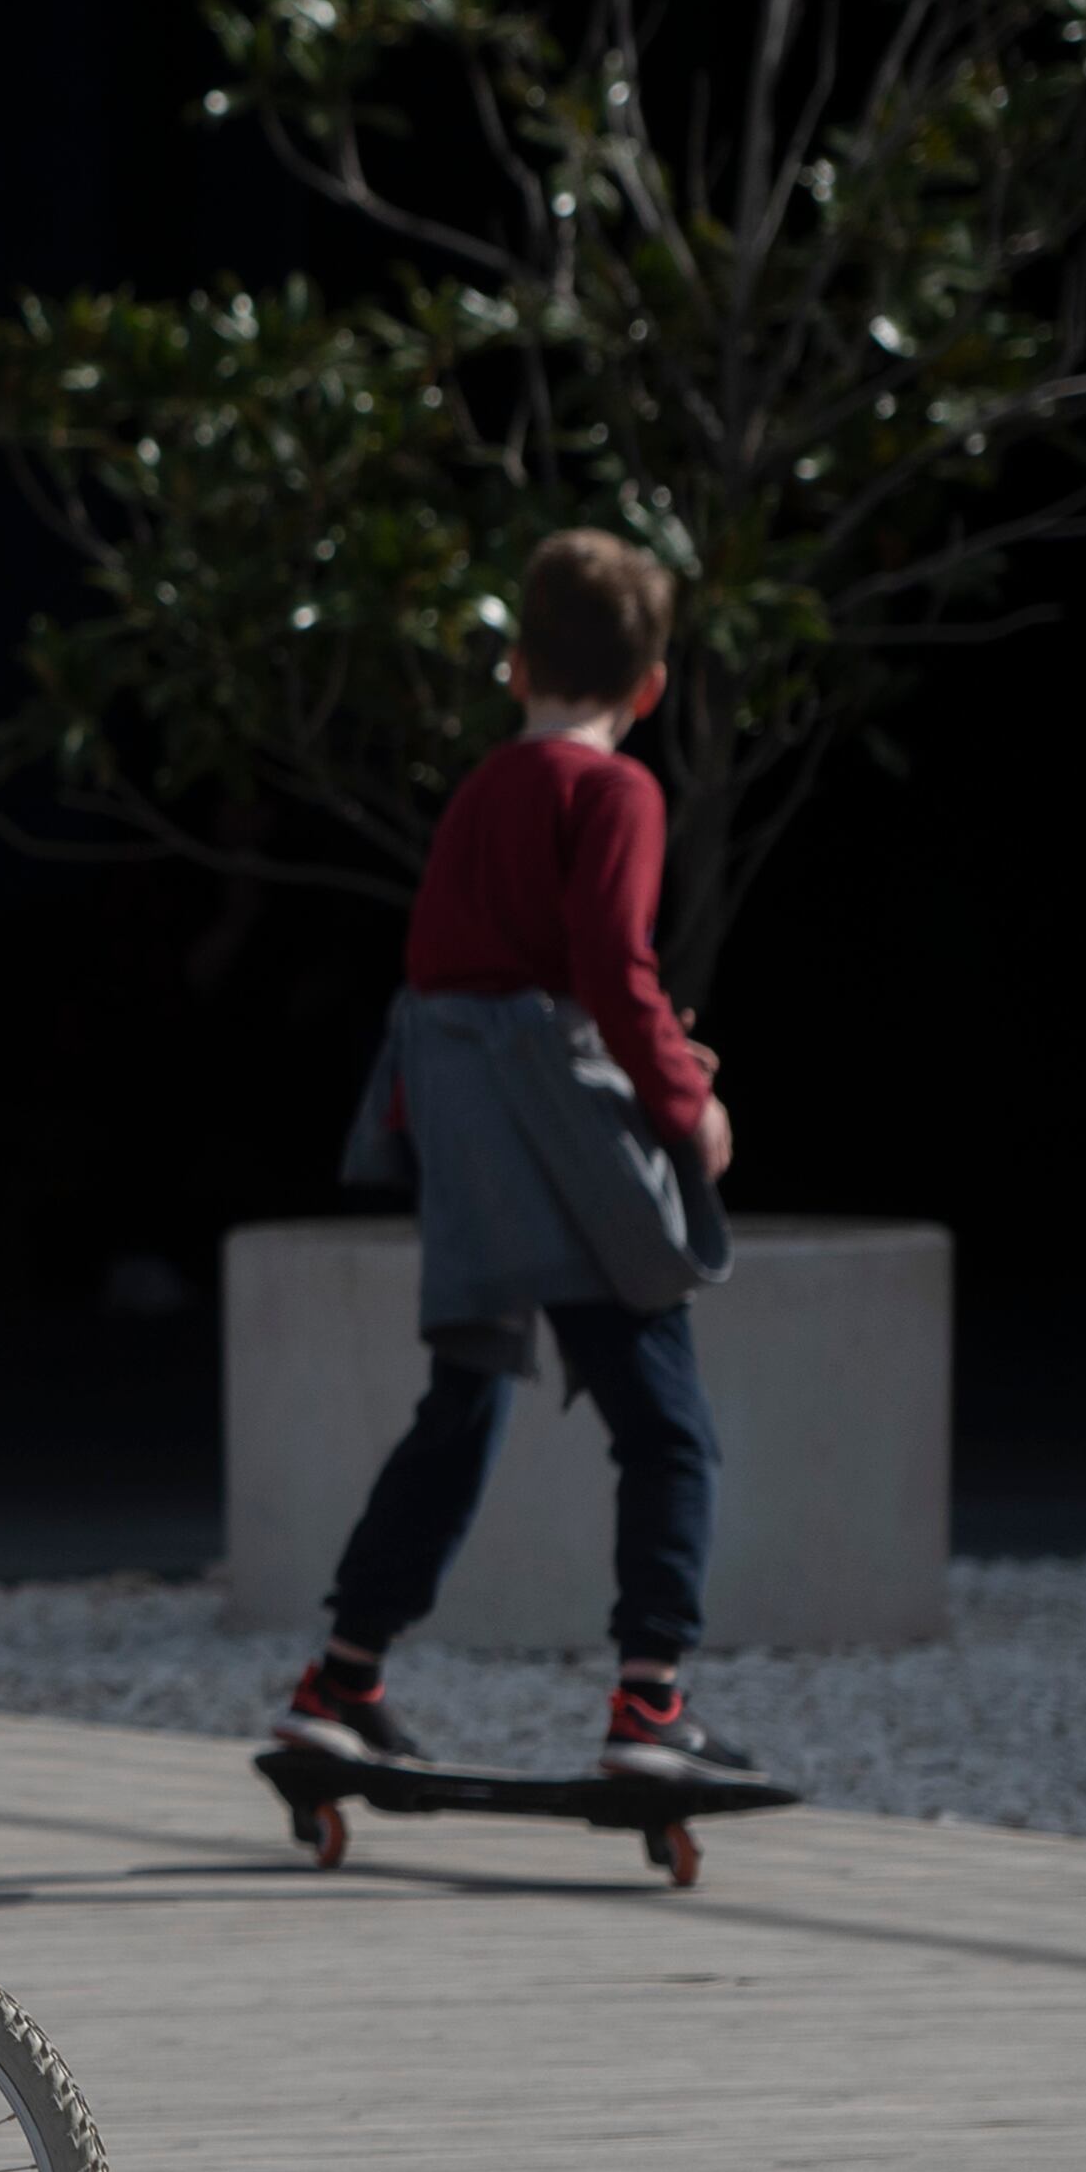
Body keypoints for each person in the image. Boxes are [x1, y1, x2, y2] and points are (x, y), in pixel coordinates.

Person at [273, 527, 763, 1784]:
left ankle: (341, 1675)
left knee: (462, 1405)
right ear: (650, 687)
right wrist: (682, 1103)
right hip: (560, 1139)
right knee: (665, 1422)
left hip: (464, 1129)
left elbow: (447, 966)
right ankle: (650, 1701)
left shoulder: (484, 790)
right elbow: (611, 962)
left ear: (514, 669)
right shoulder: (616, 791)